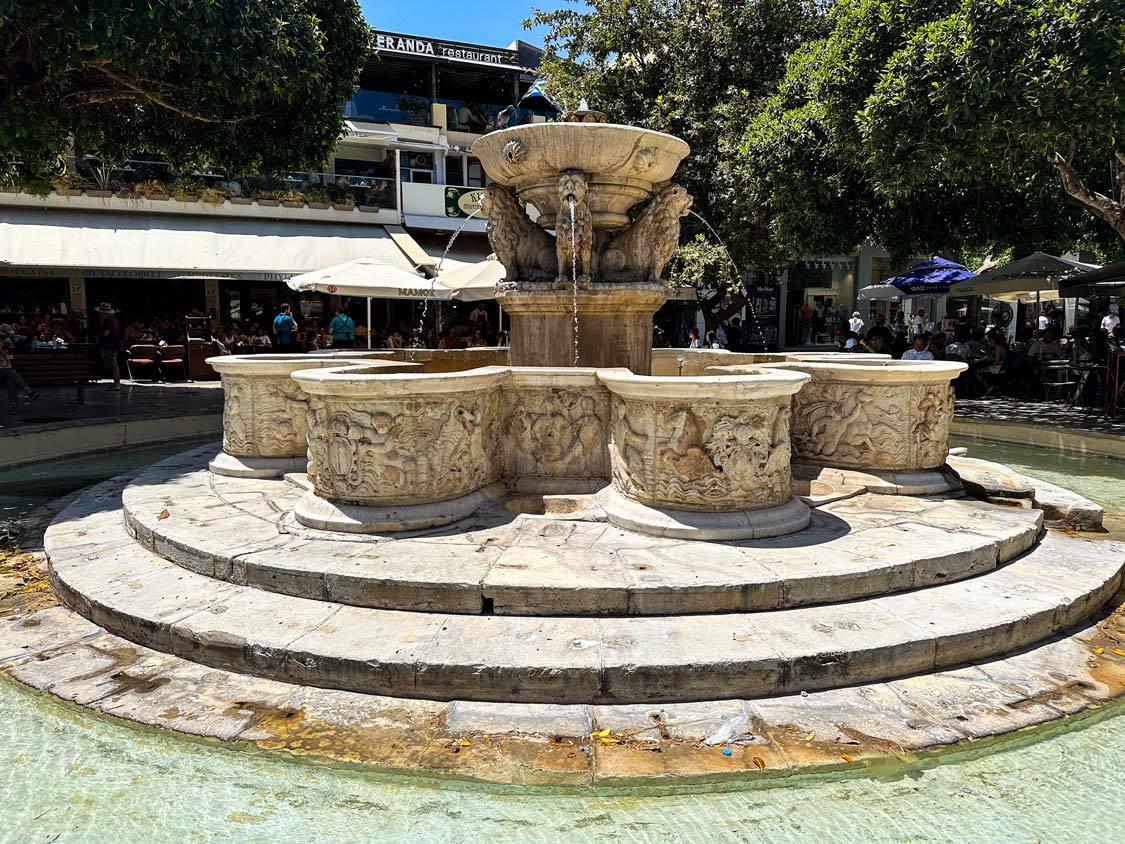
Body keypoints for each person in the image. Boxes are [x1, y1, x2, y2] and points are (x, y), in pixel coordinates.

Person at [0, 326, 39, 410]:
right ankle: (28, 391)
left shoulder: (8, 341)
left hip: (4, 369)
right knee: (10, 372)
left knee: (10, 379)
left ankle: (13, 405)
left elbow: (23, 339)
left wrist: (11, 340)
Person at [94, 302, 122, 390]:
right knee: (114, 363)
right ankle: (116, 383)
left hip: (112, 343)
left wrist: (98, 336)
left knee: (113, 363)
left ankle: (117, 384)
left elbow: (106, 333)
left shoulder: (108, 320)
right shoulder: (109, 319)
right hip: (112, 342)